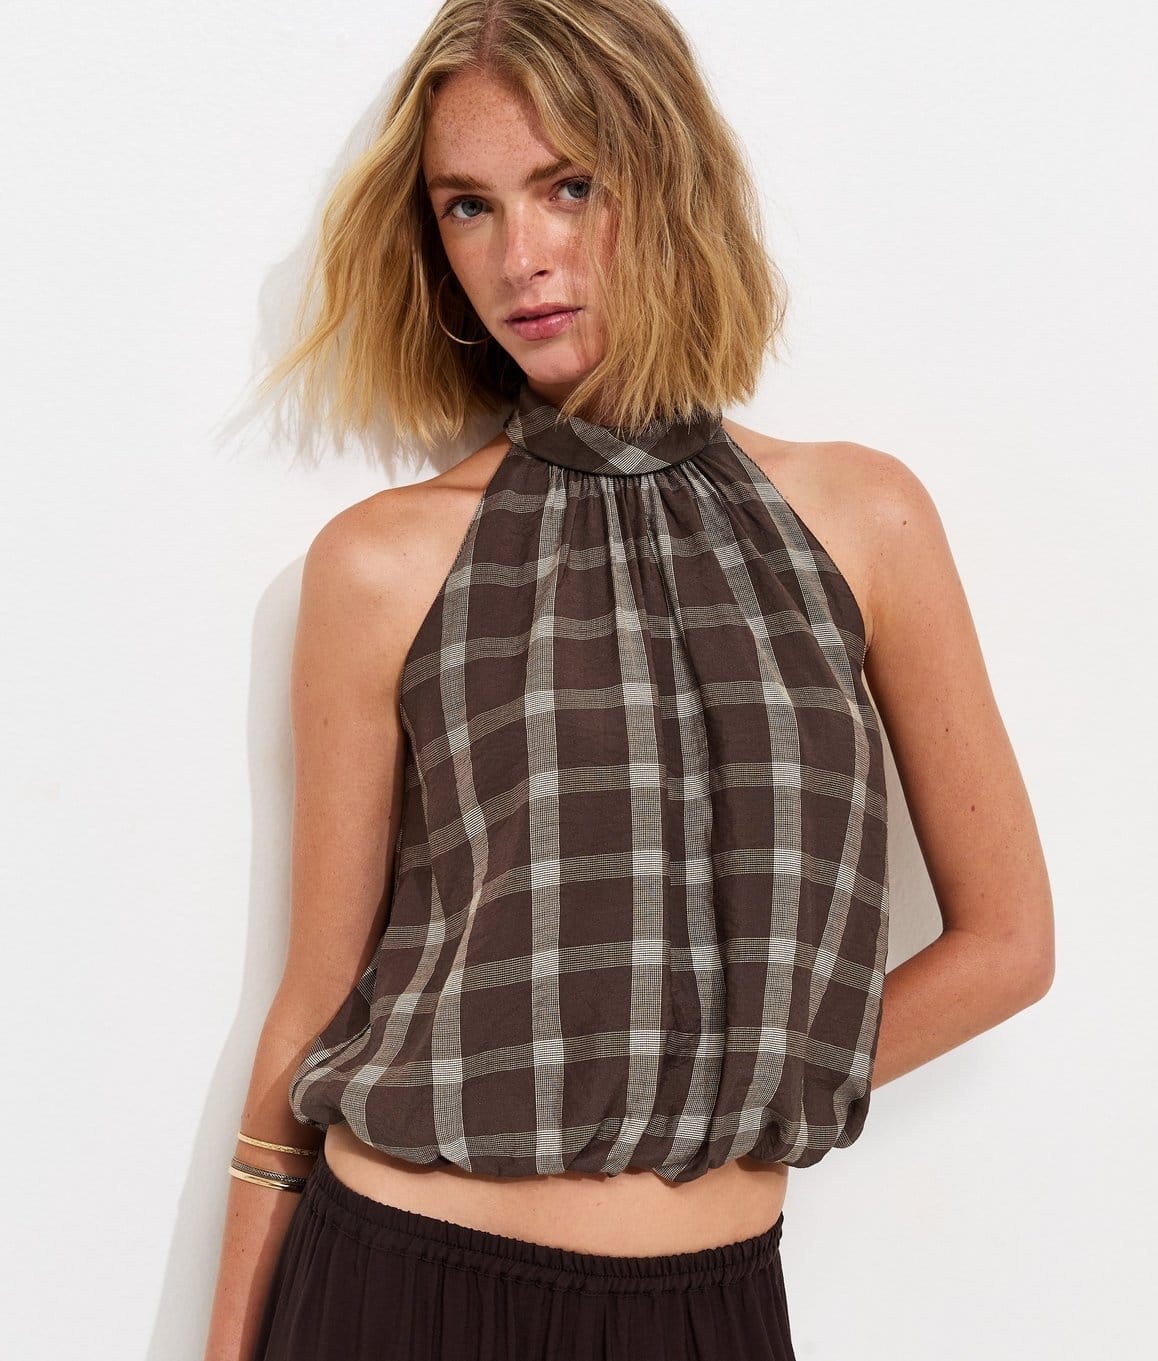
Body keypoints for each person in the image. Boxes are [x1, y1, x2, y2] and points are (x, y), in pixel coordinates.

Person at [204, 2, 1055, 1358]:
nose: (521, 258)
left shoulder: (865, 518)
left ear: (668, 184)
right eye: (469, 207)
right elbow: (314, 1002)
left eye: (570, 187)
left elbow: (1008, 947)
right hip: (396, 1287)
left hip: (705, 1306)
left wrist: (735, 1079)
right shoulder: (383, 561)